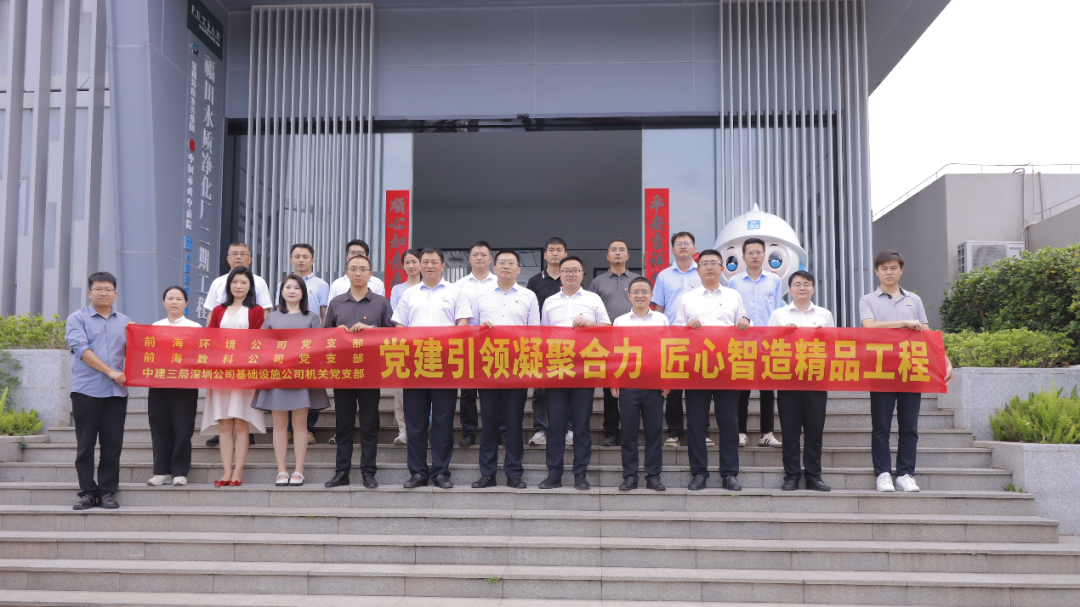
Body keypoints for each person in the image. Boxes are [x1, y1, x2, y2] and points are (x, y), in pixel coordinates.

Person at [861, 249, 954, 493]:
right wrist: (903, 323)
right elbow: (869, 327)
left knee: (909, 426)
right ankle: (883, 474)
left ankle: (905, 474)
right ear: (877, 271)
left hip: (911, 367)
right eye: (884, 268)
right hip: (881, 369)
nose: (888, 272)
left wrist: (944, 360)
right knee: (881, 426)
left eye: (893, 268)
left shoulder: (914, 299)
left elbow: (926, 333)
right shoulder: (867, 300)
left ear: (901, 270)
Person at [392, 247, 472, 489]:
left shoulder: (455, 292)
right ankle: (418, 473)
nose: (429, 266)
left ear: (442, 265)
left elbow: (463, 323)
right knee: (415, 422)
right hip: (415, 364)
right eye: (425, 261)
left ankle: (440, 472)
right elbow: (399, 326)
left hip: (445, 364)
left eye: (434, 262)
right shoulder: (410, 294)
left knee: (443, 420)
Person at [676, 248, 751, 491]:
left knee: (728, 422)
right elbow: (675, 331)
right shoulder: (687, 298)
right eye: (704, 263)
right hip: (697, 367)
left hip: (726, 367)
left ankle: (729, 474)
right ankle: (699, 473)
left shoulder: (733, 296)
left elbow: (745, 325)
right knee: (696, 423)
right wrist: (687, 326)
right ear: (698, 270)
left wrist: (745, 322)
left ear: (722, 268)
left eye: (714, 263)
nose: (709, 267)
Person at [539, 256, 611, 491]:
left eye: (575, 270)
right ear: (559, 274)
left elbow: (608, 328)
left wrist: (589, 324)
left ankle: (580, 473)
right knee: (555, 424)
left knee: (581, 425)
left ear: (582, 274)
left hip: (584, 367)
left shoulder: (593, 299)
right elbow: (542, 335)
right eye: (566, 270)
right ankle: (554, 474)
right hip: (557, 366)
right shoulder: (549, 301)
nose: (570, 274)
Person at [252, 275, 331, 487]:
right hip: (278, 376)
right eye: (288, 287)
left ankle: (298, 470)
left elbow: (318, 347)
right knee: (279, 425)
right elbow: (263, 345)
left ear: (303, 292)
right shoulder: (272, 317)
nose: (292, 291)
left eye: (297, 287)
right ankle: (281, 470)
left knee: (300, 424)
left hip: (302, 377)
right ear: (282, 292)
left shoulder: (312, 317)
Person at [323, 254, 394, 489]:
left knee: (369, 422)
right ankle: (341, 471)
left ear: (370, 274)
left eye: (363, 269)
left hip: (370, 371)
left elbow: (392, 335)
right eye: (353, 269)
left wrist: (371, 329)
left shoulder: (381, 303)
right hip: (343, 371)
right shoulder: (336, 303)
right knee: (343, 424)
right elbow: (325, 337)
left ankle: (368, 472)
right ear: (347, 273)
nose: (358, 273)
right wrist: (338, 332)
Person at [471, 250, 540, 489]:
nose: (506, 266)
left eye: (511, 263)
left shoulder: (529, 296)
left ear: (519, 269)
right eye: (502, 263)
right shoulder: (481, 296)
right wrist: (479, 329)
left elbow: (535, 332)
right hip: (488, 364)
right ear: (495, 268)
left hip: (517, 365)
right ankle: (487, 474)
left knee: (514, 421)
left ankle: (514, 473)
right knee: (489, 421)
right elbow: (470, 329)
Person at [66, 272, 129, 510]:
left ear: (115, 294)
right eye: (99, 289)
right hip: (86, 391)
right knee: (85, 445)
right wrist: (110, 371)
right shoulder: (77, 318)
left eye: (108, 289)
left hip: (116, 393)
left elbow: (137, 351)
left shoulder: (125, 321)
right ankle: (88, 493)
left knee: (112, 445)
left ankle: (106, 492)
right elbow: (82, 350)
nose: (104, 293)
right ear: (90, 292)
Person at [768, 271, 834, 492]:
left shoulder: (825, 314)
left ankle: (814, 476)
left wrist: (825, 336)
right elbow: (767, 345)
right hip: (788, 378)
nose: (802, 288)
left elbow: (835, 346)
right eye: (797, 284)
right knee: (790, 430)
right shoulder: (778, 314)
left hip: (816, 378)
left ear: (813, 288)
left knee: (814, 430)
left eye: (806, 284)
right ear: (790, 289)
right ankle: (792, 476)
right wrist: (782, 335)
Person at [203, 266, 267, 486]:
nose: (239, 286)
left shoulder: (256, 311)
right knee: (224, 424)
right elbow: (210, 338)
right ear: (229, 284)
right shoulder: (219, 310)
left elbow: (259, 341)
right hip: (220, 373)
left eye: (243, 282)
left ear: (250, 287)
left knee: (240, 423)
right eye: (235, 282)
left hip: (243, 373)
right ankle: (226, 472)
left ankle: (238, 472)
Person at [612, 276, 668, 492]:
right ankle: (630, 476)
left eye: (645, 292)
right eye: (636, 292)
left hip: (654, 382)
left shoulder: (661, 320)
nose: (640, 296)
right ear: (629, 295)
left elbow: (667, 351)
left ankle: (654, 476)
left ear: (652, 295)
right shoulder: (620, 321)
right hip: (628, 383)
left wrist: (667, 378)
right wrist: (614, 380)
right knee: (628, 431)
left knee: (654, 431)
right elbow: (615, 353)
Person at [727, 237, 783, 449]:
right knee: (742, 390)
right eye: (750, 252)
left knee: (768, 390)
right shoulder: (734, 281)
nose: (755, 256)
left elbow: (776, 311)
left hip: (767, 341)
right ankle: (740, 432)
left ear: (764, 255)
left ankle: (766, 433)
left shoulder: (774, 280)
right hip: (742, 341)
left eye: (758, 252)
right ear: (743, 257)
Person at [651, 231, 704, 447]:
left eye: (687, 243)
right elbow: (659, 307)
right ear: (672, 249)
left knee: (699, 386)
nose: (683, 246)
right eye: (679, 244)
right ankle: (674, 431)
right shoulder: (664, 276)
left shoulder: (702, 273)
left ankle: (701, 430)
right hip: (672, 336)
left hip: (700, 337)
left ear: (694, 248)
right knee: (672, 387)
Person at [146, 286, 201, 487]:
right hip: (159, 382)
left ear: (186, 303)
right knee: (159, 426)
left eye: (179, 299)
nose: (174, 302)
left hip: (185, 384)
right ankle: (161, 471)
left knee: (183, 427)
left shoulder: (195, 327)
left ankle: (179, 472)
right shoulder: (155, 326)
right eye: (170, 298)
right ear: (164, 302)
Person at [588, 239, 640, 447]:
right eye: (613, 250)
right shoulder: (597, 282)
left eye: (622, 250)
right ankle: (610, 432)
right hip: (607, 341)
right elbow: (591, 310)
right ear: (608, 256)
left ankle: (633, 431)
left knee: (634, 386)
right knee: (610, 389)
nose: (618, 253)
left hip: (635, 340)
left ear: (628, 256)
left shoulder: (637, 280)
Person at [278, 244, 330, 447]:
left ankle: (308, 428)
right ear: (291, 260)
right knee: (288, 385)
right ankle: (289, 428)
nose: (301, 260)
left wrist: (321, 342)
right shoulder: (284, 283)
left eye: (305, 257)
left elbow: (325, 314)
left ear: (312, 261)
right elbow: (279, 309)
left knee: (310, 385)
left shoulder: (321, 285)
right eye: (297, 256)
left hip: (311, 343)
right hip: (288, 345)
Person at [454, 240, 498, 448]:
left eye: (483, 255)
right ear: (469, 259)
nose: (479, 258)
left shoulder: (499, 282)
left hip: (494, 344)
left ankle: (499, 430)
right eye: (475, 255)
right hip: (468, 343)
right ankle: (469, 431)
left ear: (490, 259)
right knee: (468, 392)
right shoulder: (459, 286)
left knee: (496, 390)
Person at [525, 237, 568, 447]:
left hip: (567, 344)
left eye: (559, 250)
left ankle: (568, 429)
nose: (555, 253)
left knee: (567, 387)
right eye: (551, 250)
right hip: (541, 343)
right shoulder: (534, 281)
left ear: (565, 254)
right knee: (540, 389)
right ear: (545, 255)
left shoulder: (570, 278)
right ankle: (540, 430)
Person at [387, 249, 423, 446]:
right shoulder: (397, 290)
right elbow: (395, 317)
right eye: (407, 262)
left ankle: (424, 428)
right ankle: (403, 431)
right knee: (400, 391)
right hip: (403, 345)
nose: (411, 266)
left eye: (414, 261)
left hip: (427, 347)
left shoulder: (430, 288)